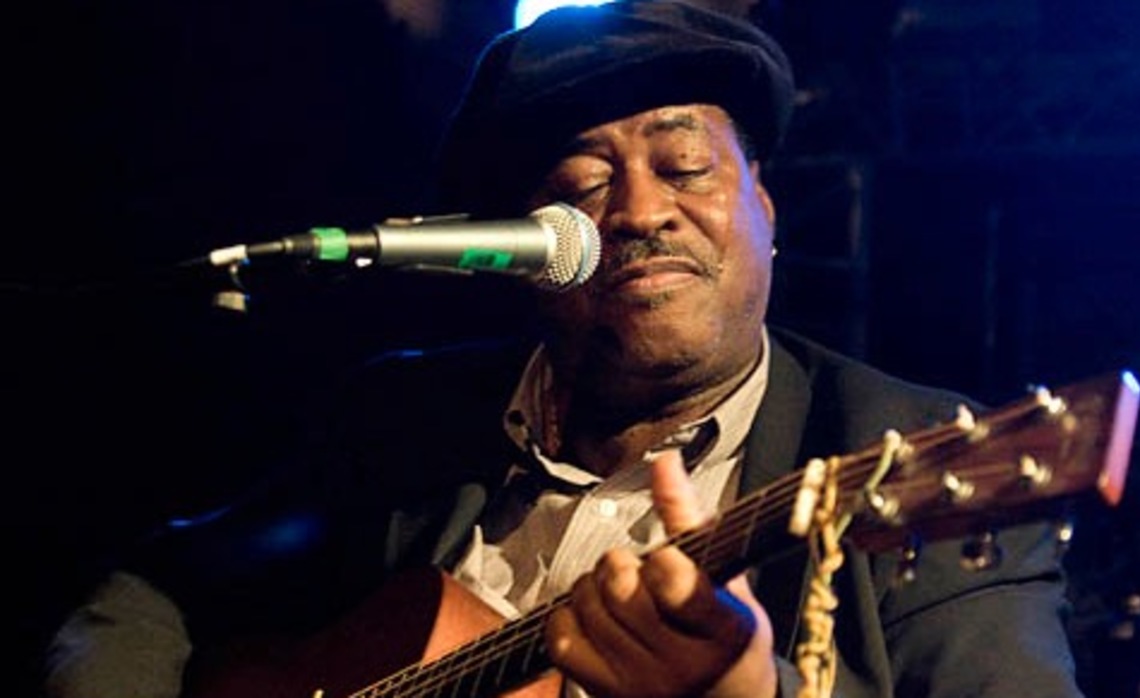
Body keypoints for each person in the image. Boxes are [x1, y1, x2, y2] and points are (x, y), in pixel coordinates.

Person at [43, 2, 1086, 697]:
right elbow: (146, 594)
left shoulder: (911, 449)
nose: (638, 210)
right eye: (581, 186)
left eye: (686, 166)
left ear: (766, 210)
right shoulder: (400, 425)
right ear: (520, 253)